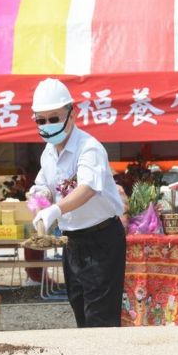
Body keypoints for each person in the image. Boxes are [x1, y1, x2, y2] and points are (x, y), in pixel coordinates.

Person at [28, 78, 126, 327]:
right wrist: (40, 198)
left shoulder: (88, 148)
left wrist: (56, 209)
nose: (48, 125)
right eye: (42, 120)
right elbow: (44, 187)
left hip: (101, 239)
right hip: (73, 241)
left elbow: (88, 188)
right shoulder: (48, 153)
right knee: (80, 309)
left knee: (100, 317)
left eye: (54, 117)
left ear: (72, 114)